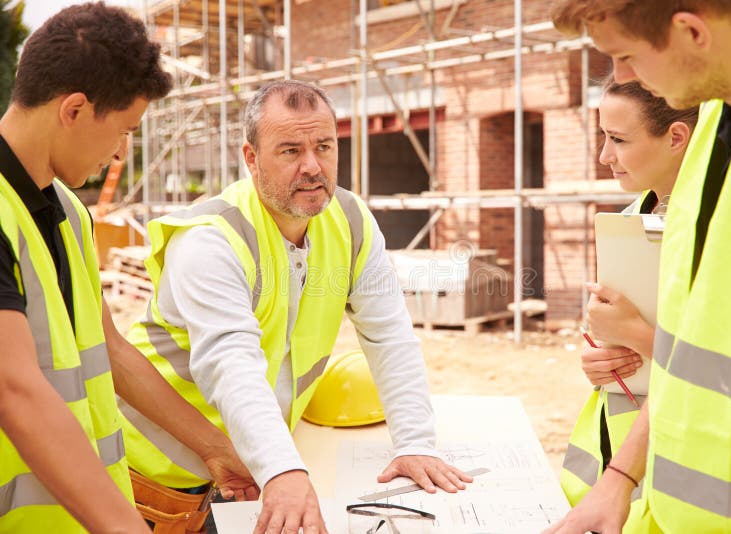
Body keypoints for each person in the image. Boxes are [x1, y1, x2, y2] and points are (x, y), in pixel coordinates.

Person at [120, 79, 473, 534]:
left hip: (250, 471)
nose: (313, 167)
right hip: (154, 481)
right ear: (251, 158)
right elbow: (232, 363)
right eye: (289, 151)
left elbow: (389, 335)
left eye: (324, 146)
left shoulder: (350, 220)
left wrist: (416, 442)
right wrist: (283, 470)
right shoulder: (210, 239)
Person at [0, 4, 258, 532]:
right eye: (124, 130)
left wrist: (215, 449)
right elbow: (14, 388)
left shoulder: (69, 212)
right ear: (73, 110)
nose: (121, 154)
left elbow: (110, 349)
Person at [547, 1, 731, 532]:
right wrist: (617, 482)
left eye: (626, 55)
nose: (622, 77)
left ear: (690, 31)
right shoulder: (710, 130)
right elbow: (688, 356)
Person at [561, 78, 697, 526]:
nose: (604, 155)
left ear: (676, 138)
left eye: (617, 139)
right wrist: (598, 361)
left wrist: (635, 334)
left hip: (685, 461)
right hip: (619, 467)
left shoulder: (719, 230)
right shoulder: (628, 220)